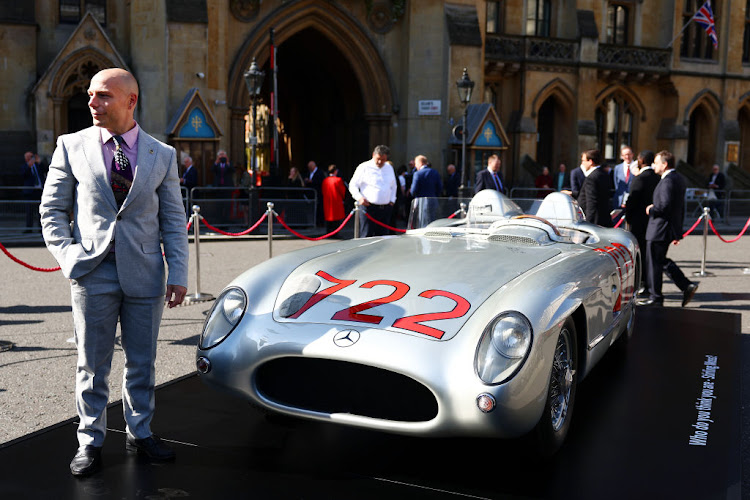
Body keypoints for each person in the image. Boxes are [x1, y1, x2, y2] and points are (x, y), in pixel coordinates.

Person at [39, 68, 188, 477]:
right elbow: (51, 211)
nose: (92, 103)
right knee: (92, 364)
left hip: (146, 274)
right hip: (92, 272)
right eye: (90, 95)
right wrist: (69, 256)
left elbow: (174, 220)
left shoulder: (162, 154)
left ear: (130, 101)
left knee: (143, 362)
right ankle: (90, 441)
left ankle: (140, 432)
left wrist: (178, 271)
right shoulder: (71, 146)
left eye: (102, 96)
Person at [637, 150, 699, 307]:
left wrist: (651, 209)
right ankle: (685, 286)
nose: (654, 165)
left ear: (664, 164)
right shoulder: (677, 178)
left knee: (655, 263)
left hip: (659, 228)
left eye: (657, 163)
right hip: (665, 228)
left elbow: (664, 206)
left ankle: (656, 297)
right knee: (660, 261)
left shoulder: (668, 181)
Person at [624, 150, 659, 295]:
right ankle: (647, 283)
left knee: (638, 254)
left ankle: (640, 282)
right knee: (648, 254)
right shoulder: (657, 177)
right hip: (652, 221)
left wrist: (628, 217)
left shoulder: (639, 178)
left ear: (641, 160)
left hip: (638, 221)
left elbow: (632, 200)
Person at [349, 144, 397, 237]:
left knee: (383, 237)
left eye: (383, 160)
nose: (380, 162)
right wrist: (359, 198)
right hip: (368, 208)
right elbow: (353, 185)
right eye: (378, 159)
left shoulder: (389, 167)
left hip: (385, 208)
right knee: (367, 236)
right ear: (373, 155)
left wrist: (392, 200)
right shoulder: (364, 167)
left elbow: (393, 186)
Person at [577, 149, 613, 227]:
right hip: (604, 219)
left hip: (595, 222)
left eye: (583, 161)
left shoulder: (591, 178)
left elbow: (591, 202)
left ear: (590, 161)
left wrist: (588, 223)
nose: (582, 163)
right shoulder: (604, 174)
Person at [21, 151, 44, 231]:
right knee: (29, 210)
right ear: (26, 159)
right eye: (30, 157)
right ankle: (29, 227)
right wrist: (29, 166)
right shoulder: (24, 166)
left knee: (40, 210)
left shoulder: (38, 165)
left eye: (32, 156)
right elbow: (23, 176)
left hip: (39, 191)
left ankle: (40, 227)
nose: (32, 158)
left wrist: (39, 162)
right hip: (30, 192)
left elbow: (46, 170)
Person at [322, 164, 347, 235]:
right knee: (336, 219)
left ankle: (328, 232)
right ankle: (335, 233)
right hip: (336, 202)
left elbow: (323, 191)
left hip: (327, 202)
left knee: (329, 219)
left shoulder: (325, 180)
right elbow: (342, 191)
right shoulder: (338, 180)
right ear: (335, 171)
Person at [305, 160, 325, 226]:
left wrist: (312, 181)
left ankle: (320, 222)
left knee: (319, 208)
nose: (309, 168)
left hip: (318, 193)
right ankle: (314, 222)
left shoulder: (320, 172)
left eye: (310, 166)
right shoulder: (309, 173)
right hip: (311, 194)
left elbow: (321, 182)